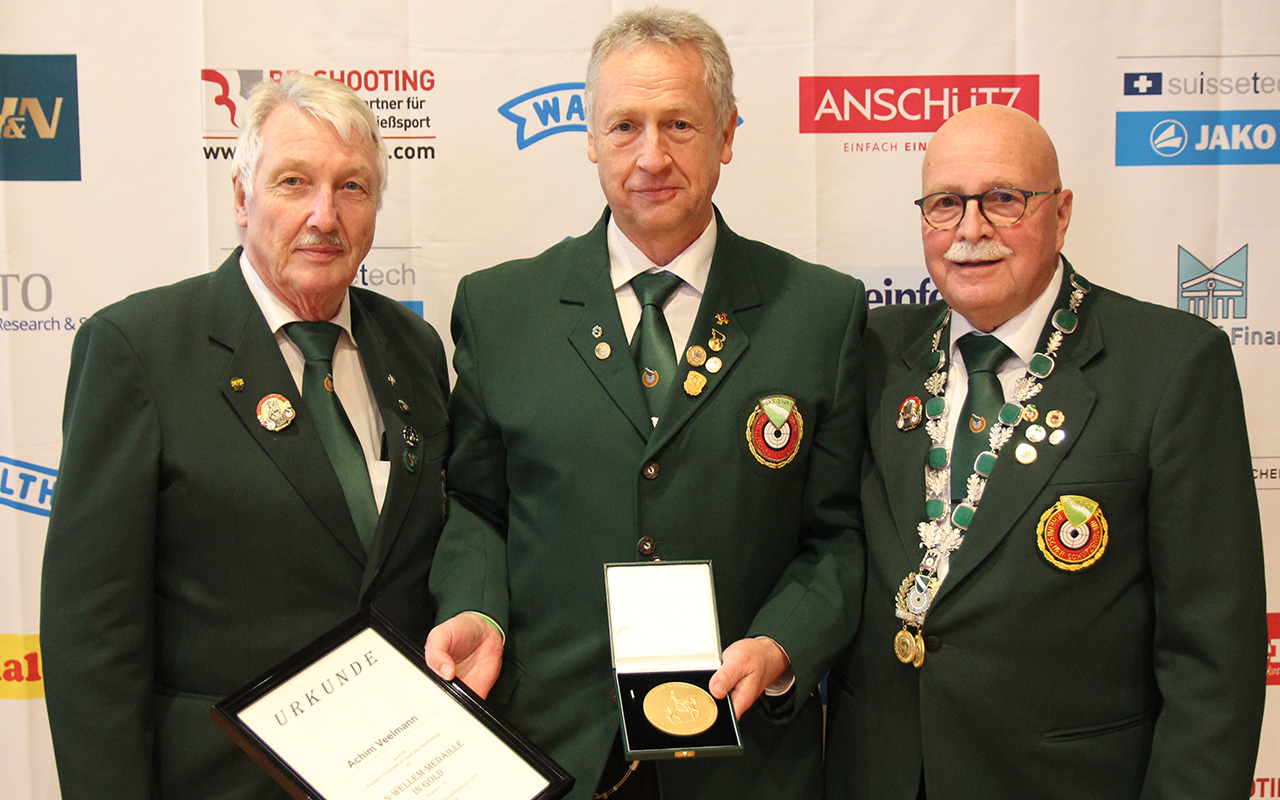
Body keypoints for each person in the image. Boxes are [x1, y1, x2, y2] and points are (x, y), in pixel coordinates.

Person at [425, 7, 866, 799]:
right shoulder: (501, 309)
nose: (650, 156)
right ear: (591, 139)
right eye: (624, 126)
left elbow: (837, 536)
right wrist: (478, 611)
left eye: (680, 125)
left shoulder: (819, 313)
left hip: (745, 758)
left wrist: (781, 644)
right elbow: (478, 511)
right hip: (553, 747)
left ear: (728, 136)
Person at [824, 103, 1266, 799]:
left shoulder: (1169, 366)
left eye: (1003, 199)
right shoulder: (872, 351)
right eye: (945, 204)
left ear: (1061, 214)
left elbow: (1213, 658)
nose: (971, 230)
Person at [40, 72, 450, 799]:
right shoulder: (139, 349)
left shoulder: (413, 349)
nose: (325, 215)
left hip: (397, 773)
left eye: (352, 188)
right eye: (294, 182)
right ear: (240, 196)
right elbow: (91, 639)